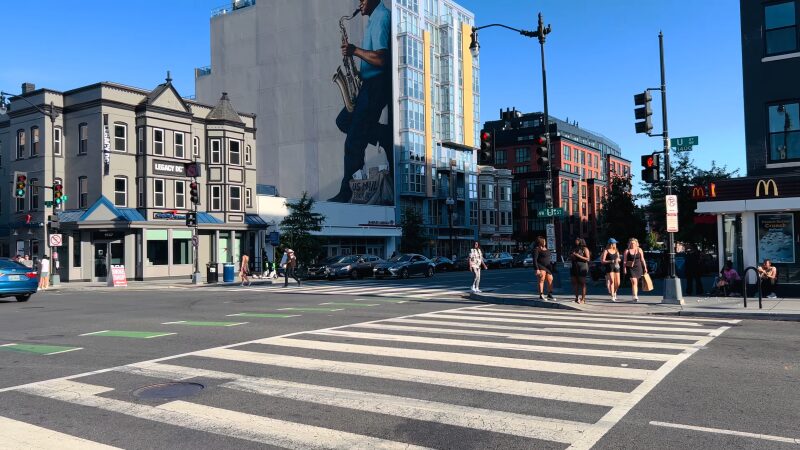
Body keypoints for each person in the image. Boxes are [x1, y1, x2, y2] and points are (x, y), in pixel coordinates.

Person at [329, 0, 393, 203]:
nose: (360, 3)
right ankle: (383, 135)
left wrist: (354, 51)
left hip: (377, 84)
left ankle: (348, 191)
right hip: (368, 83)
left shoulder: (382, 17)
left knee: (354, 139)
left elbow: (382, 60)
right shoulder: (374, 19)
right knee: (343, 121)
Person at [623, 237, 648, 302]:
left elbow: (642, 259)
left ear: (637, 244)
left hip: (638, 267)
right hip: (630, 268)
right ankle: (635, 296)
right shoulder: (627, 251)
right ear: (629, 244)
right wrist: (624, 268)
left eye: (634, 243)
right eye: (631, 243)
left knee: (636, 283)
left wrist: (645, 267)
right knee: (634, 281)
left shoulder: (639, 250)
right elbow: (625, 261)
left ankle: (634, 295)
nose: (632, 244)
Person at [570, 238, 591, 304]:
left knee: (582, 282)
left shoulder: (585, 249)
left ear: (580, 241)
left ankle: (583, 299)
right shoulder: (574, 248)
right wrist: (572, 256)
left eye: (577, 240)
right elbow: (571, 257)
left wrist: (578, 255)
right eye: (575, 240)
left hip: (582, 266)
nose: (575, 241)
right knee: (574, 282)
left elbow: (588, 259)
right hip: (574, 266)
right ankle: (576, 298)